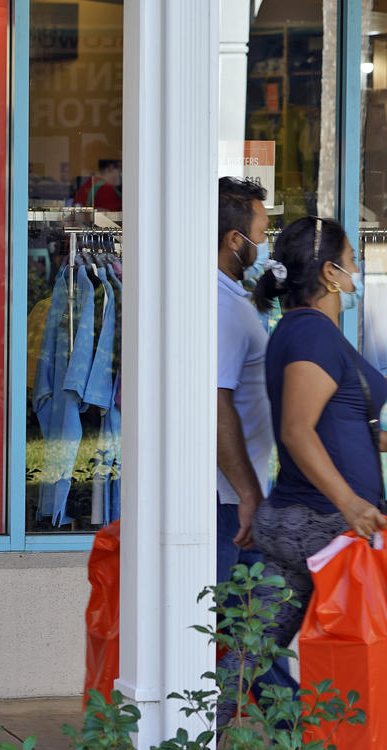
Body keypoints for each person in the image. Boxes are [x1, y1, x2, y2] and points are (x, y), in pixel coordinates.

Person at [216, 216, 387, 727]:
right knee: (255, 649)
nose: (358, 269)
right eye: (352, 259)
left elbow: (337, 425)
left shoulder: (300, 329)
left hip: (298, 519)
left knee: (249, 652)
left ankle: (203, 732)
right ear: (331, 274)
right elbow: (297, 430)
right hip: (328, 528)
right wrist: (352, 503)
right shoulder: (313, 334)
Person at [215, 177, 295, 701]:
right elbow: (214, 403)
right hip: (225, 501)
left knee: (248, 631)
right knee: (244, 629)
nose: (264, 243)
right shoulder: (218, 306)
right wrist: (246, 492)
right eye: (262, 232)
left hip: (234, 499)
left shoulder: (231, 297)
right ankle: (292, 723)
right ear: (233, 239)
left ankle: (276, 719)